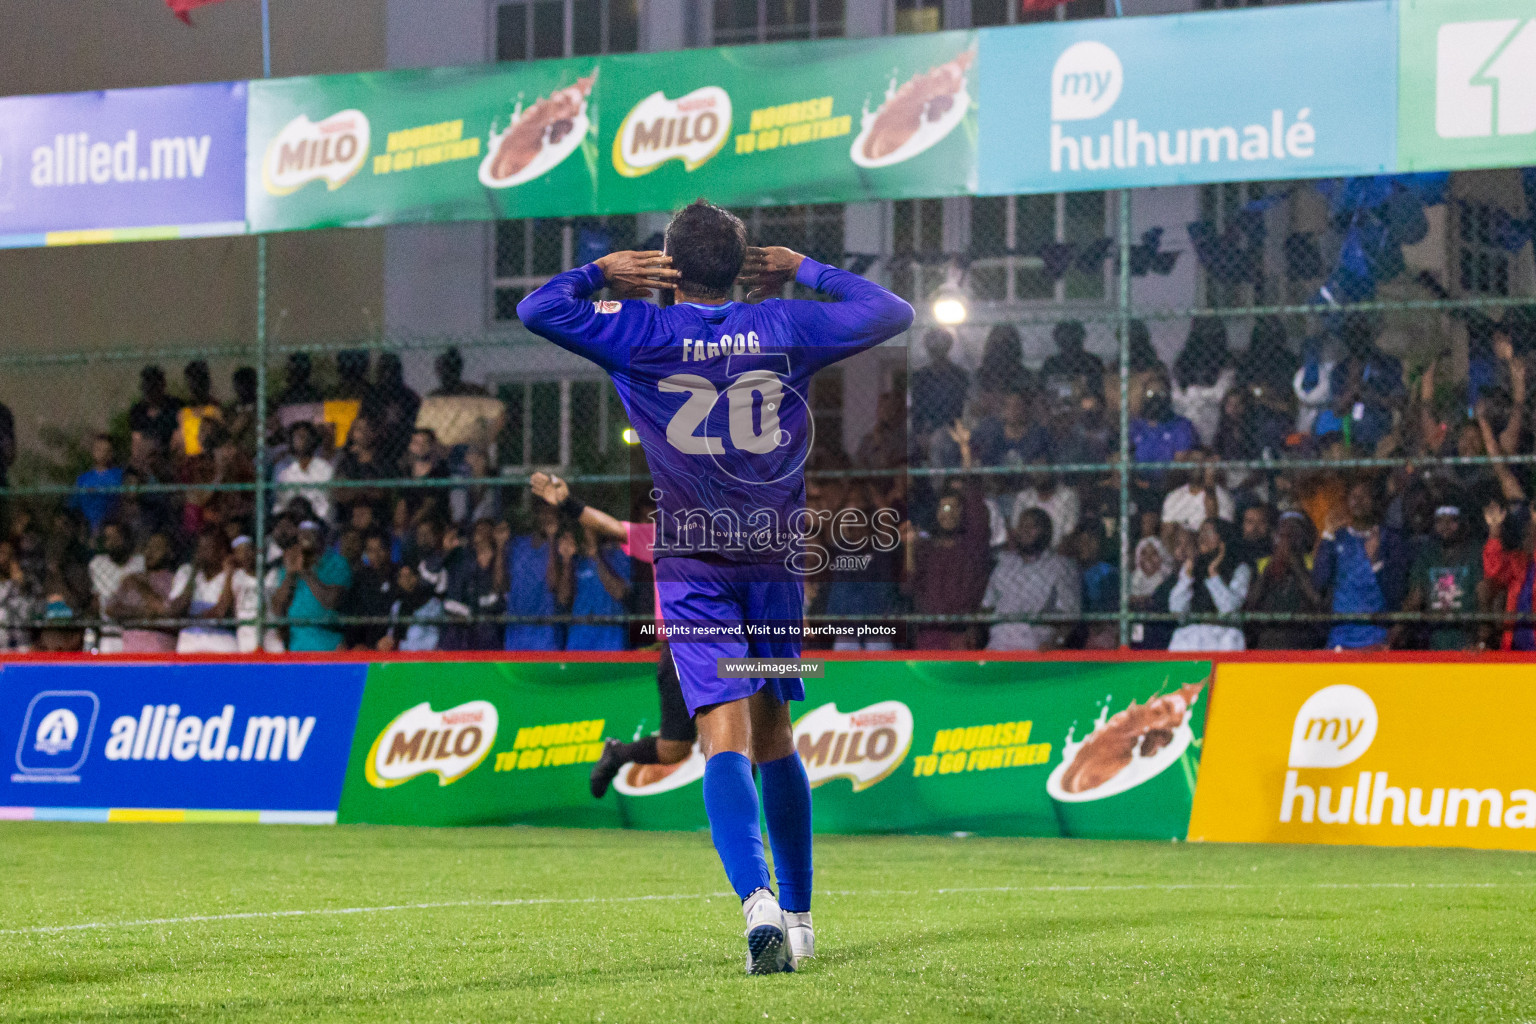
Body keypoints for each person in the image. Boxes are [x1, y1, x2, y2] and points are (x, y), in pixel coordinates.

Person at [517, 200, 913, 973]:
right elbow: (889, 310)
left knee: (721, 737)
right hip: (772, 564)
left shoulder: (639, 332)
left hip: (694, 567)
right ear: (744, 265)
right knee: (776, 736)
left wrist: (604, 270)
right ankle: (798, 920)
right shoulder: (784, 326)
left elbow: (537, 307)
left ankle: (756, 900)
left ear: (667, 267)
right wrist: (802, 268)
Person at [528, 471, 698, 800]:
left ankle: (741, 829)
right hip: (679, 653)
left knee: (740, 733)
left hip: (726, 651)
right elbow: (614, 528)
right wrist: (568, 503)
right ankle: (618, 754)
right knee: (674, 750)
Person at [902, 423, 990, 650]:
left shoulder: (972, 545)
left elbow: (974, 500)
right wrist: (910, 548)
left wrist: (965, 453)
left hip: (960, 632)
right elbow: (909, 585)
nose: (947, 514)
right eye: (943, 509)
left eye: (953, 508)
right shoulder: (928, 547)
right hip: (929, 631)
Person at [1312, 477, 1408, 651]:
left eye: (1365, 496)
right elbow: (1319, 582)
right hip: (1339, 637)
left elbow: (1397, 592)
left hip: (1377, 637)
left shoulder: (1390, 539)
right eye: (1354, 496)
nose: (1358, 501)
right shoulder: (1337, 537)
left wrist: (1376, 561)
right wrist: (1326, 535)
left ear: (1375, 501)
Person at [981, 507, 1081, 651]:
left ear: (1047, 532)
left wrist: (1056, 643)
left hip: (1035, 643)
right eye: (1022, 526)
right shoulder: (1004, 563)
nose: (1025, 531)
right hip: (999, 640)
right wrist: (975, 630)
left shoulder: (1060, 566)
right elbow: (987, 605)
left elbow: (1071, 616)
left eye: (1033, 526)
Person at [1404, 505, 1482, 651]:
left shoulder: (1474, 553)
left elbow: (1484, 599)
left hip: (1469, 643)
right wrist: (1395, 631)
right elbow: (1415, 598)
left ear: (1463, 524)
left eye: (1452, 521)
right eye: (1440, 521)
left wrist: (1483, 640)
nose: (1445, 527)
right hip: (1434, 642)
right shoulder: (1427, 555)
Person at [1244, 511, 1324, 650]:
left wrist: (1296, 566)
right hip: (1268, 638)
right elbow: (1250, 604)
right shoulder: (1263, 564)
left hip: (1302, 639)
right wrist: (1270, 569)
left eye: (1293, 534)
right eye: (1283, 534)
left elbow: (1317, 601)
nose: (1287, 540)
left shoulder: (1315, 564)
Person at [1169, 518, 1252, 651]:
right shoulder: (1192, 565)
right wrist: (1187, 577)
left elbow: (1228, 609)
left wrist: (1213, 573)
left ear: (1223, 538)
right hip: (1192, 638)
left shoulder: (1240, 568)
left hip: (1225, 638)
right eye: (1201, 533)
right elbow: (1176, 609)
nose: (1202, 538)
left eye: (1208, 533)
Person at [269, 520, 351, 652]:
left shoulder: (337, 563)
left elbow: (331, 601)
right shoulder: (292, 563)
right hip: (295, 643)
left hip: (328, 641)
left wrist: (306, 573)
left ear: (321, 538)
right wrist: (290, 575)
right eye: (302, 536)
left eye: (310, 535)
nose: (305, 541)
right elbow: (277, 608)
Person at [504, 500, 565, 652]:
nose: (547, 518)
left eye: (551, 513)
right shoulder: (518, 545)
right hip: (515, 631)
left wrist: (551, 539)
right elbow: (501, 585)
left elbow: (553, 584)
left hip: (546, 634)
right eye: (543, 512)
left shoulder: (562, 549)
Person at [108, 531, 183, 653]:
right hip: (130, 649)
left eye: (157, 548)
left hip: (160, 649)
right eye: (148, 547)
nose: (150, 551)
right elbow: (111, 609)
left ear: (170, 553)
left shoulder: (175, 579)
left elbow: (166, 611)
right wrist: (141, 614)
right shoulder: (131, 578)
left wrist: (141, 587)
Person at [441, 519, 508, 651]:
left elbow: (499, 586)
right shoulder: (463, 557)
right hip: (459, 633)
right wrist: (446, 551)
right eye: (477, 529)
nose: (480, 532)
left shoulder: (499, 558)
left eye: (485, 529)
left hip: (489, 632)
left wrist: (500, 546)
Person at [169, 528, 238, 654]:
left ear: (222, 551)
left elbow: (222, 613)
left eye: (207, 547)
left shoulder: (234, 575)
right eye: (200, 548)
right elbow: (177, 610)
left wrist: (191, 619)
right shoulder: (186, 571)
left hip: (222, 649)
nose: (201, 553)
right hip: (188, 648)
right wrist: (194, 571)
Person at [88, 521, 143, 654]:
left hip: (136, 628)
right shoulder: (97, 563)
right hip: (108, 631)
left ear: (126, 539)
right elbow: (95, 599)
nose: (111, 543)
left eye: (116, 538)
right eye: (108, 538)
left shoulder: (140, 563)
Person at [909, 327, 969, 440]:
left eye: (941, 345)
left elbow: (962, 405)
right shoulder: (920, 377)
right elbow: (916, 406)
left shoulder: (959, 375)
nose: (937, 350)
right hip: (925, 429)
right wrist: (920, 432)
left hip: (953, 429)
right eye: (933, 346)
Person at [274, 421, 334, 523]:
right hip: (292, 523)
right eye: (298, 437)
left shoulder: (325, 468)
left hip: (320, 523)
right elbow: (281, 504)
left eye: (305, 436)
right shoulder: (285, 472)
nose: (302, 440)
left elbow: (327, 503)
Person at [70, 433, 124, 538]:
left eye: (105, 450)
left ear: (111, 453)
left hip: (111, 525)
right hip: (86, 526)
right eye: (98, 449)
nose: (101, 453)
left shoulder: (119, 475)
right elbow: (73, 504)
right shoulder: (83, 479)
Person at [383, 561, 443, 652]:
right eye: (402, 577)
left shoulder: (433, 604)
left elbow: (435, 637)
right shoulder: (397, 606)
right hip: (400, 658)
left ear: (417, 577)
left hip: (424, 658)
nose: (406, 580)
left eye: (409, 576)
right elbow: (391, 634)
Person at [128, 365, 183, 455]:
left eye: (154, 385)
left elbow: (179, 437)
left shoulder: (174, 407)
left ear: (162, 386)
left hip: (170, 456)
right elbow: (136, 442)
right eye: (147, 385)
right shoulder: (138, 411)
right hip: (147, 456)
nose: (150, 390)